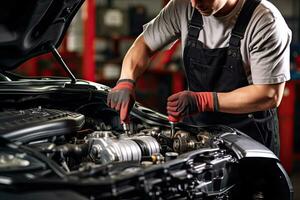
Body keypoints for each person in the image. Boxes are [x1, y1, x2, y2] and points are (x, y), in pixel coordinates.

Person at [107, 0, 292, 156]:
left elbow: (269, 94)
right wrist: (126, 81)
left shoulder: (265, 21)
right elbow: (144, 44)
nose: (195, 4)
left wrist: (203, 100)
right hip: (198, 132)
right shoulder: (184, 6)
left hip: (249, 138)